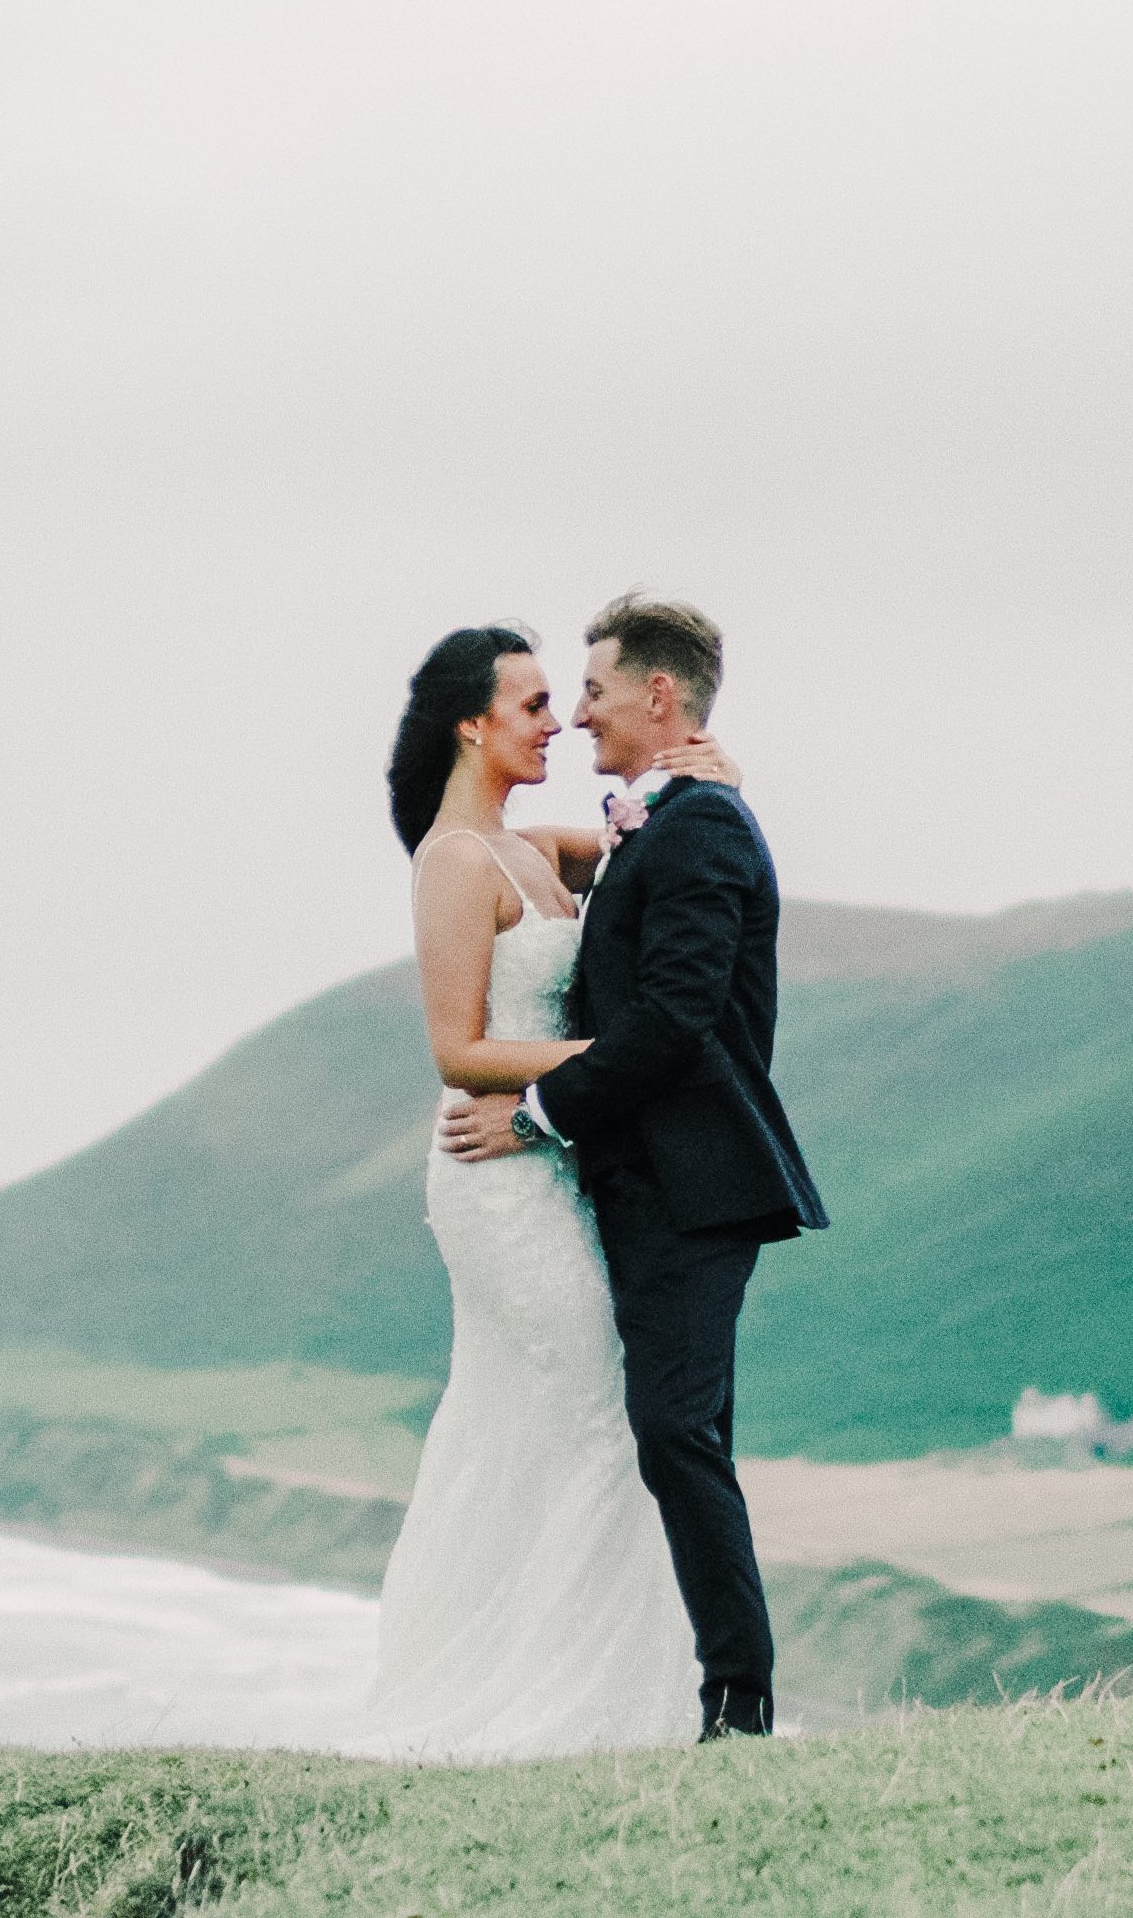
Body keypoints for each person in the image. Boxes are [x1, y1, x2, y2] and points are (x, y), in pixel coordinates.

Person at [439, 594, 828, 1743]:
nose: (583, 714)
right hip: (646, 1179)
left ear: (659, 696)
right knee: (679, 1428)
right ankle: (702, 1688)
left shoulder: (700, 829)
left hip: (695, 1187)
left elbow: (672, 1023)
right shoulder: (662, 818)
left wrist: (538, 1113)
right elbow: (495, 841)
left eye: (596, 690)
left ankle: (736, 1700)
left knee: (672, 1432)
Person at [366, 620, 738, 1762]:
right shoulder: (452, 862)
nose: (559, 723)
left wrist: (706, 770)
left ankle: (582, 1683)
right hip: (494, 1173)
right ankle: (558, 1706)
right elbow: (455, 1048)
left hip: (549, 1160)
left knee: (566, 1411)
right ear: (471, 724)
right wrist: (620, 1059)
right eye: (532, 705)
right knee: (589, 1399)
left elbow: (655, 831)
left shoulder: (533, 849)